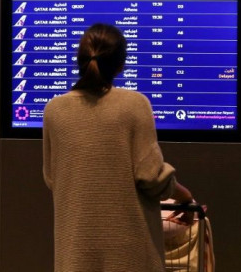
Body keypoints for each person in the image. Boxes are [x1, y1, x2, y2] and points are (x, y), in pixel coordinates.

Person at [43, 23, 194, 271]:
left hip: (75, 254)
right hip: (129, 254)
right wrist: (185, 197)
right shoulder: (135, 105)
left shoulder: (54, 110)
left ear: (80, 61)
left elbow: (52, 177)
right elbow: (151, 177)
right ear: (121, 65)